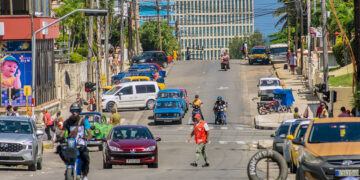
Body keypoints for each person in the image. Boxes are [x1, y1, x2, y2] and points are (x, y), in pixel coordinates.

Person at [57, 103, 92, 180]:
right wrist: (60, 137)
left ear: (79, 112)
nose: (74, 112)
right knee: (59, 148)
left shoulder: (84, 121)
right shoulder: (67, 122)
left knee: (86, 157)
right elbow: (63, 132)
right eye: (73, 111)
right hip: (71, 145)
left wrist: (88, 137)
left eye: (76, 111)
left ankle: (85, 175)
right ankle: (67, 164)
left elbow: (89, 133)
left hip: (81, 144)